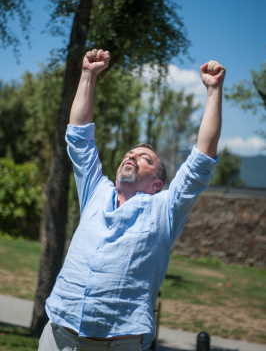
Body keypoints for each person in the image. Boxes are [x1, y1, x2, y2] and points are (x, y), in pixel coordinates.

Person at [38, 49, 225, 351]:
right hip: (58, 335)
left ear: (156, 183)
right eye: (129, 153)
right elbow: (79, 138)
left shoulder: (164, 209)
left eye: (144, 157)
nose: (132, 156)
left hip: (118, 343)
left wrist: (213, 91)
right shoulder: (96, 192)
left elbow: (202, 158)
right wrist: (88, 75)